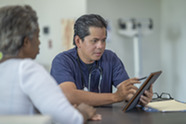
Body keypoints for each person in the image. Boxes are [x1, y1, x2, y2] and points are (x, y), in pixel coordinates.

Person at [0, 5, 101, 124]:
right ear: (26, 42)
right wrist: (84, 111)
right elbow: (71, 119)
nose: (39, 42)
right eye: (37, 36)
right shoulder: (27, 69)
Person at [50, 14, 153, 106]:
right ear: (78, 41)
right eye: (94, 41)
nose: (100, 46)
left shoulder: (110, 58)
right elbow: (70, 95)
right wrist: (115, 97)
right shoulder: (62, 61)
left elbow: (125, 91)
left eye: (103, 40)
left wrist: (139, 98)